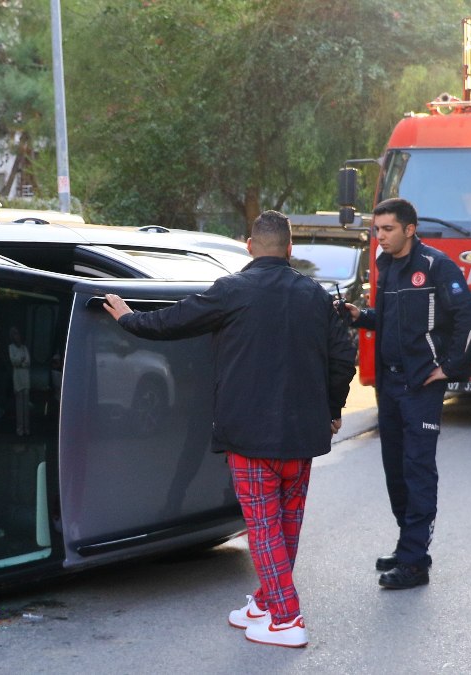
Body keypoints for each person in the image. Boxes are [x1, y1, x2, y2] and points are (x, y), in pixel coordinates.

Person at [103, 210, 356, 649]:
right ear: (290, 249)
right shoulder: (316, 296)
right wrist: (333, 408)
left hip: (250, 437)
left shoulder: (233, 290)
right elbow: (343, 359)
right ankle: (263, 603)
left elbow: (174, 322)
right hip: (302, 436)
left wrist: (128, 318)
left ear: (249, 245)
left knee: (263, 527)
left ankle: (286, 619)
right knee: (286, 526)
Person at [339, 198, 471, 590]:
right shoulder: (386, 267)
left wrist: (448, 368)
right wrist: (359, 315)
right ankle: (409, 547)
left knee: (418, 472)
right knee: (396, 473)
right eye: (376, 230)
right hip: (390, 386)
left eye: (387, 229)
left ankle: (415, 564)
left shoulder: (436, 266)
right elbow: (388, 321)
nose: (379, 236)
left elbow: (468, 318)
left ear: (409, 229)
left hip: (421, 388)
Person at [8, 326, 31, 436]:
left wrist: (20, 362)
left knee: (25, 406)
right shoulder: (11, 347)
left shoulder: (24, 348)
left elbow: (28, 362)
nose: (17, 336)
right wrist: (21, 361)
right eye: (15, 334)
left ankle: (26, 429)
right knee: (19, 407)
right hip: (17, 379)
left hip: (25, 380)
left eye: (18, 334)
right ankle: (19, 429)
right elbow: (14, 361)